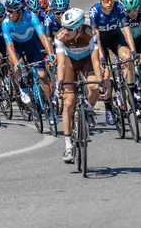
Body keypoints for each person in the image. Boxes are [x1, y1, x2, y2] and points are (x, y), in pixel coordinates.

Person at [54, 8, 104, 163]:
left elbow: (95, 61)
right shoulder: (60, 37)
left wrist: (100, 80)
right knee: (68, 103)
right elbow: (61, 63)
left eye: (69, 29)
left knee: (94, 86)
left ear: (79, 27)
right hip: (69, 63)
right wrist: (59, 83)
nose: (65, 31)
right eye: (63, 27)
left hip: (86, 61)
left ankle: (88, 109)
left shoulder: (90, 34)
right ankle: (68, 146)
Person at [89, 0, 139, 125]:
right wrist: (102, 57)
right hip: (100, 43)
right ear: (100, 0)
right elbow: (95, 36)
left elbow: (127, 30)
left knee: (127, 57)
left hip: (116, 38)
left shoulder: (119, 8)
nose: (109, 2)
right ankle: (109, 108)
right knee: (104, 75)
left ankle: (131, 91)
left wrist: (133, 50)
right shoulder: (94, 11)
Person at [2, 0, 55, 105]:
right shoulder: (6, 23)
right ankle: (22, 87)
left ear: (20, 11)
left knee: (42, 75)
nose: (8, 13)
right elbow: (10, 46)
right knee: (15, 64)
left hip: (30, 43)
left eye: (11, 11)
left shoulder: (31, 16)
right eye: (7, 10)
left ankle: (48, 101)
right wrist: (16, 63)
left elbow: (43, 37)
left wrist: (51, 54)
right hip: (15, 46)